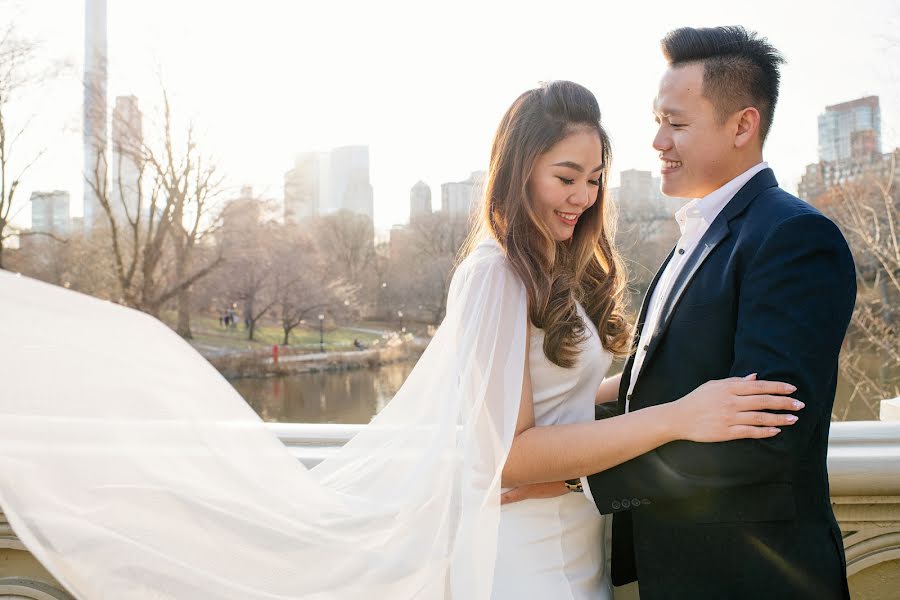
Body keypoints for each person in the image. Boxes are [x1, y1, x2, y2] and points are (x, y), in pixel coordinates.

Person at [0, 80, 799, 599]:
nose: (583, 199)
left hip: (575, 542)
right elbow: (508, 455)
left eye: (593, 180)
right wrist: (678, 417)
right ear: (519, 168)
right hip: (523, 559)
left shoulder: (553, 269)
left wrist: (645, 391)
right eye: (566, 177)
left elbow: (551, 398)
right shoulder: (495, 274)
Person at [509, 27, 857, 600]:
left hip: (756, 580)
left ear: (742, 125)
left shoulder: (793, 237)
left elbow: (767, 436)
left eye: (675, 123)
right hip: (677, 572)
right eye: (656, 120)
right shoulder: (695, 235)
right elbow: (664, 389)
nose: (656, 141)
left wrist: (578, 476)